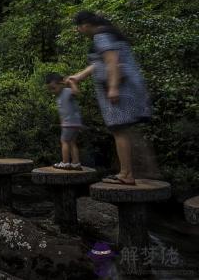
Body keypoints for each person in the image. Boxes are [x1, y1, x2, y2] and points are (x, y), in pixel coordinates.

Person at [67, 11, 152, 185]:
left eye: (78, 27)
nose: (78, 31)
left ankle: (126, 174)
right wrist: (79, 76)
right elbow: (99, 63)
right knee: (122, 129)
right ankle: (134, 170)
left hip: (120, 88)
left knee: (119, 129)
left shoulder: (101, 36)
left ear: (85, 25)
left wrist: (113, 88)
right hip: (123, 87)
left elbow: (111, 60)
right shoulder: (107, 33)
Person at [45, 73, 83, 170]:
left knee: (64, 141)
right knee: (72, 142)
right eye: (50, 89)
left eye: (53, 88)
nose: (52, 91)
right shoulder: (59, 95)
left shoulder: (67, 91)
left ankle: (65, 162)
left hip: (70, 123)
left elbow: (76, 92)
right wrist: (62, 122)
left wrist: (70, 83)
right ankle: (75, 163)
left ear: (61, 84)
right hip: (73, 122)